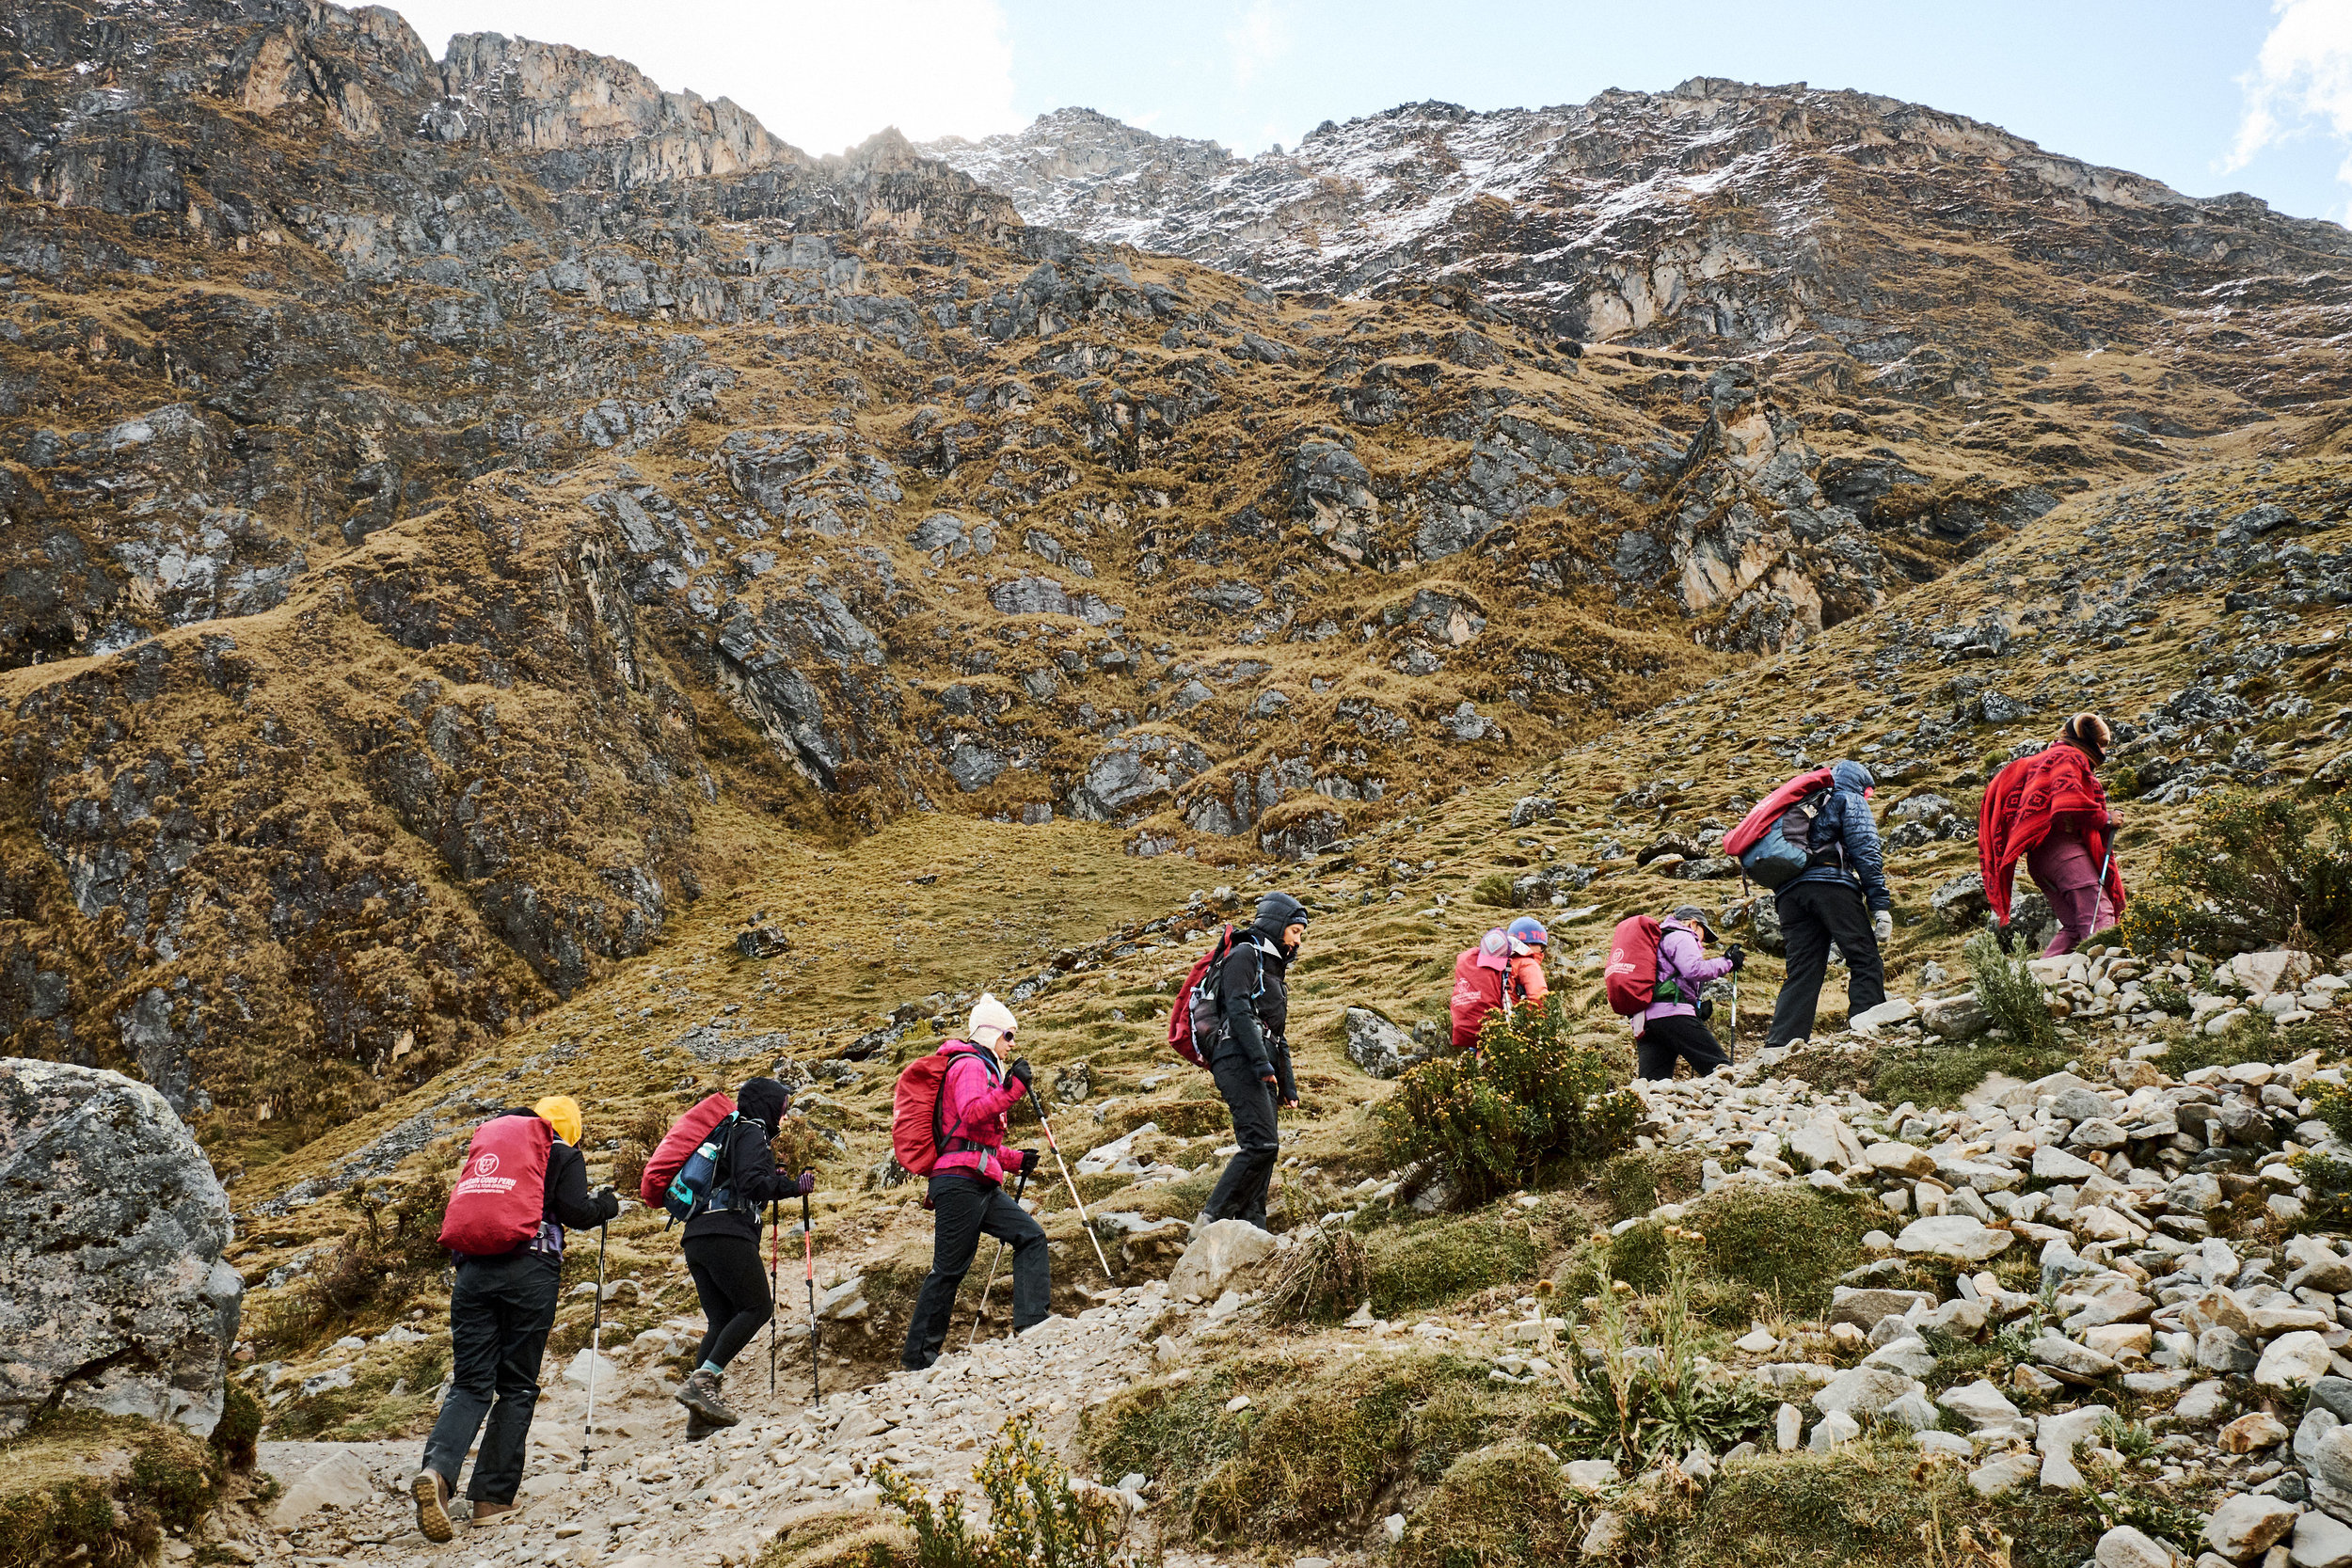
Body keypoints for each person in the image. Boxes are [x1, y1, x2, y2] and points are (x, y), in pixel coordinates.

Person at [414, 1096, 618, 1544]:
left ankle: (438, 1474)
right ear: (569, 1128)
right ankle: (491, 1500)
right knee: (518, 1385)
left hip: (472, 1274)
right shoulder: (561, 1151)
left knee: (470, 1384)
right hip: (529, 1272)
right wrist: (607, 1205)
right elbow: (575, 1211)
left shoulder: (493, 1149)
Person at [898, 995, 1046, 1370]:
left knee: (1030, 1235)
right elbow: (972, 1113)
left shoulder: (981, 1067)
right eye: (1009, 1035)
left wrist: (1015, 1160)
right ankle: (918, 1360)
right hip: (959, 1184)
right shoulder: (968, 1065)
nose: (1013, 1044)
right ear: (991, 1032)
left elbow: (977, 1139)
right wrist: (1012, 1089)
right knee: (949, 1269)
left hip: (976, 1181)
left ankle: (1034, 1326)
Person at [675, 1077, 818, 1434]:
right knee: (758, 1307)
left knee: (721, 1320)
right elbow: (753, 1183)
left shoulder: (730, 1133)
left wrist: (771, 1175)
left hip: (696, 1236)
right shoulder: (752, 1131)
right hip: (728, 1232)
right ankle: (703, 1381)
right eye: (783, 1109)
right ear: (769, 1106)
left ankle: (700, 1420)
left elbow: (742, 1178)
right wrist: (789, 1186)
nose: (784, 1118)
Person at [1765, 759, 1892, 1049]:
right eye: (1869, 792)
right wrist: (1880, 906)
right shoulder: (1848, 796)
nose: (1868, 797)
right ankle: (1867, 1027)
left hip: (1789, 894)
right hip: (1830, 885)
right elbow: (1866, 850)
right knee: (1864, 957)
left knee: (1803, 970)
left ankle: (1781, 1045)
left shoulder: (1807, 801)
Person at [1979, 713, 2128, 956]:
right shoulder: (2068, 756)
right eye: (2100, 744)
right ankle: (2105, 973)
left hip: (2040, 860)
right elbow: (2068, 803)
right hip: (2065, 852)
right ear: (2086, 740)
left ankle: (2037, 980)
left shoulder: (2043, 761)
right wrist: (2105, 818)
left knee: (2074, 927)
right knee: (2099, 914)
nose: (2102, 751)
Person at [1201, 892, 1308, 1229]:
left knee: (1268, 1147)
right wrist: (1262, 1065)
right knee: (1260, 1143)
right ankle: (1212, 1218)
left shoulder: (1274, 971)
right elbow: (1237, 1008)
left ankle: (1253, 1224)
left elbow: (1278, 1033)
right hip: (1236, 1058)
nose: (1298, 941)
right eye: (1295, 931)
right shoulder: (1246, 955)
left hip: (1258, 1061)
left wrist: (1287, 1085)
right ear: (1277, 927)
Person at [1635, 906, 1740, 1080]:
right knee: (1721, 1070)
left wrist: (1694, 1007)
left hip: (1646, 1021)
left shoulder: (1656, 940)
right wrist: (1728, 962)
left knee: (1652, 1085)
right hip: (1673, 1014)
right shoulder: (1681, 935)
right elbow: (1695, 970)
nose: (1702, 940)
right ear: (1693, 923)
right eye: (1703, 934)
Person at [1448, 916, 1551, 1050]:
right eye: (1541, 947)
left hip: (1483, 1031)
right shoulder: (1527, 962)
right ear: (1531, 944)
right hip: (1511, 1030)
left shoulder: (1494, 964)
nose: (1541, 952)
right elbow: (1540, 999)